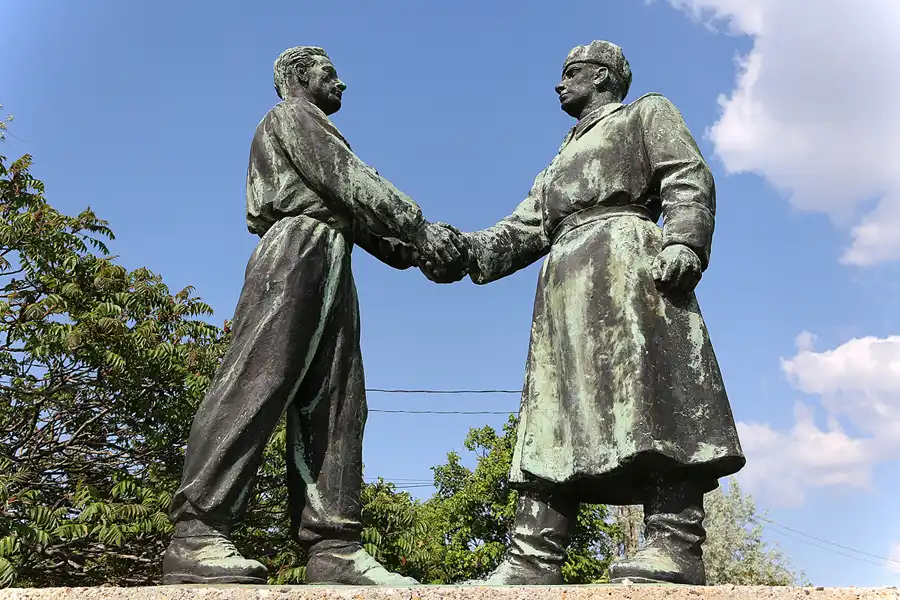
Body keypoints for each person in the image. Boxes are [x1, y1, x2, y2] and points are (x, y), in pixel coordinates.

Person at [432, 40, 745, 586]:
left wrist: (685, 243)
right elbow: (526, 227)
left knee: (653, 399)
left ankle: (674, 542)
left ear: (602, 77)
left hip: (628, 268)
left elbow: (686, 175)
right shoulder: (559, 160)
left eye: (570, 74)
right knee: (550, 416)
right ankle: (533, 556)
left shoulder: (645, 113)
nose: (559, 85)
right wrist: (461, 251)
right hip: (564, 288)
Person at [162, 46, 466, 585]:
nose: (341, 82)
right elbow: (350, 180)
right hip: (294, 249)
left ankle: (334, 547)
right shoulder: (293, 117)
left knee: (340, 399)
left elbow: (360, 218)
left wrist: (420, 250)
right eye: (330, 73)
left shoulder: (315, 130)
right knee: (257, 381)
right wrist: (420, 231)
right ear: (301, 77)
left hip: (330, 254)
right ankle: (198, 532)